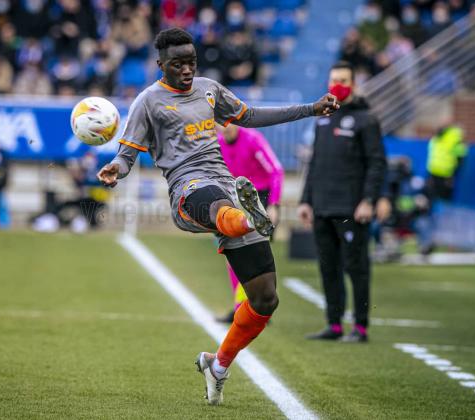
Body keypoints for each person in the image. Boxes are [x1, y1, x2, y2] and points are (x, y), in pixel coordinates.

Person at [97, 28, 338, 405]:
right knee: (218, 204)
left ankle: (218, 365)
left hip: (227, 187)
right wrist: (114, 168)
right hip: (187, 192)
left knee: (265, 299)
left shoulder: (210, 89)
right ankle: (249, 218)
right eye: (177, 64)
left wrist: (310, 108)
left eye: (191, 62)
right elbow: (127, 154)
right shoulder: (148, 102)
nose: (187, 70)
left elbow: (251, 116)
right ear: (161, 65)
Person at [297, 61, 386, 343]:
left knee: (356, 268)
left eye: (344, 80)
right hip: (321, 207)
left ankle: (360, 327)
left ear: (353, 84)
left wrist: (368, 200)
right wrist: (305, 200)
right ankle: (333, 324)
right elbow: (315, 163)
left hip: (351, 208)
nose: (338, 85)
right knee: (328, 267)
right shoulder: (322, 117)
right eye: (334, 80)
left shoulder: (366, 119)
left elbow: (377, 163)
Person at [215, 124, 284, 323]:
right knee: (232, 255)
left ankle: (261, 307)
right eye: (221, 124)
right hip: (234, 200)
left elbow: (276, 171)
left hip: (259, 200)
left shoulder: (253, 139)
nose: (226, 128)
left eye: (230, 123)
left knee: (256, 258)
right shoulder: (218, 144)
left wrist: (274, 205)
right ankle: (241, 309)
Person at [417, 122, 467, 254]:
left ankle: (436, 240)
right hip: (440, 178)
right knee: (433, 209)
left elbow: (459, 157)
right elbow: (459, 159)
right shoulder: (445, 141)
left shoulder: (444, 139)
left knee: (436, 209)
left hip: (439, 178)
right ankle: (432, 241)